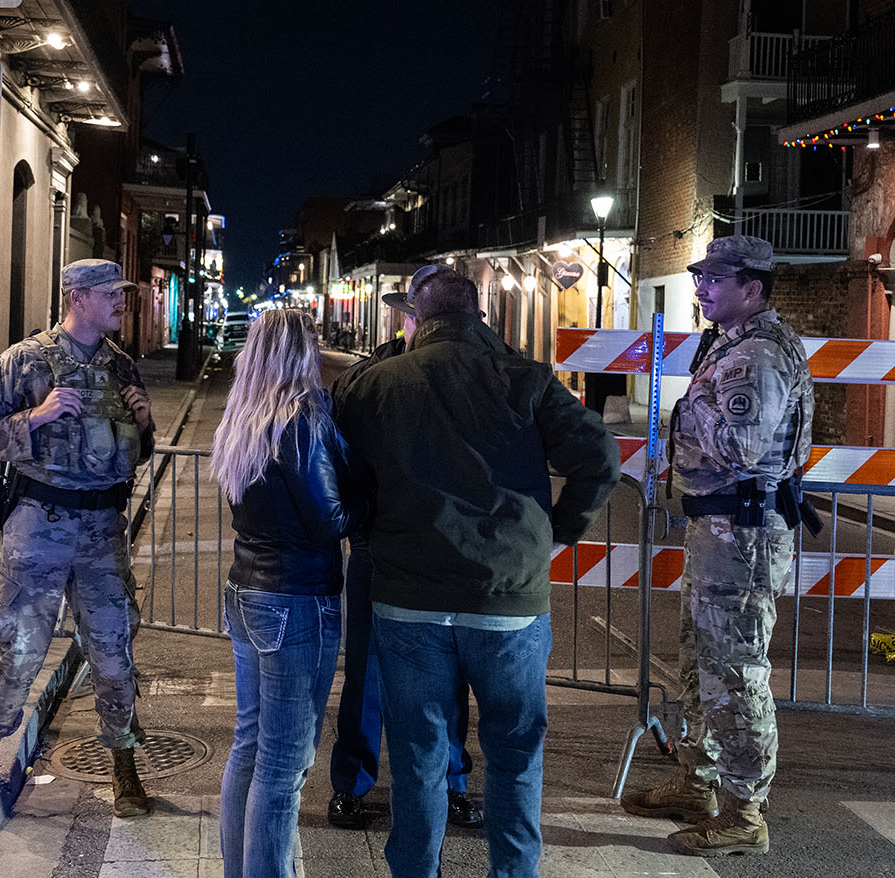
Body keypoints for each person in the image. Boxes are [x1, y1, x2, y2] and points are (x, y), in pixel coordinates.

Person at [337, 267, 620, 877]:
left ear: (417, 315)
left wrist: (369, 526)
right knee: (515, 752)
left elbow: (338, 467)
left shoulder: (375, 384)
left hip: (408, 598)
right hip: (508, 603)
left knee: (417, 756)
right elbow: (599, 456)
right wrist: (556, 533)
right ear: (481, 316)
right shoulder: (526, 380)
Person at [619, 235, 814, 857]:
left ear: (751, 286)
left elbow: (740, 448)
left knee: (735, 671)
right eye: (699, 276)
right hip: (719, 530)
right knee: (699, 662)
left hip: (744, 534)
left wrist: (692, 402)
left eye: (713, 279)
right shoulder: (732, 345)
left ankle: (743, 811)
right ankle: (696, 782)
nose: (701, 289)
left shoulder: (757, 354)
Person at [0, 258, 155, 817]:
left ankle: (124, 763)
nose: (120, 302)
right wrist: (36, 418)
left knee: (114, 654)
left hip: (102, 532)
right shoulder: (24, 361)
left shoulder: (122, 367)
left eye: (122, 292)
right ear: (76, 297)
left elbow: (135, 455)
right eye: (110, 293)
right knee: (18, 651)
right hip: (36, 526)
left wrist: (144, 427)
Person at [324, 265, 482, 831]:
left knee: (450, 674)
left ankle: (451, 780)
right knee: (366, 671)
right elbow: (343, 452)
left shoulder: (475, 370)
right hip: (384, 545)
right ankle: (352, 783)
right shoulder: (375, 374)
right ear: (409, 318)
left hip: (448, 551)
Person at [211, 308, 354, 878]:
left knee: (250, 745)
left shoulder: (243, 415)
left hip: (246, 591)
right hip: (297, 598)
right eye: (313, 342)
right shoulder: (303, 416)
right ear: (300, 350)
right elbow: (330, 521)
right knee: (284, 763)